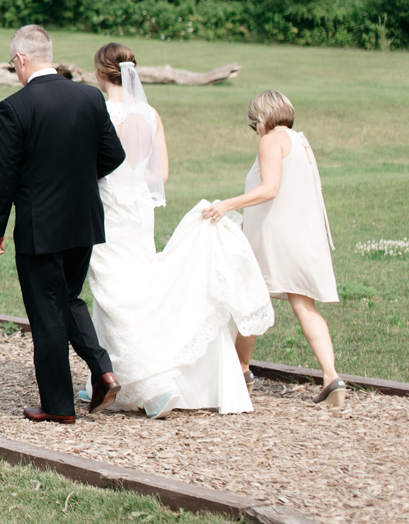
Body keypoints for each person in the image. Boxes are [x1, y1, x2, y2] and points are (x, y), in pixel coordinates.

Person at [84, 44, 273, 419]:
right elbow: (160, 175)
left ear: (101, 73)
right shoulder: (151, 114)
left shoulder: (102, 112)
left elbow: (91, 166)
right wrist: (133, 180)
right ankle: (103, 379)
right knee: (136, 288)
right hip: (140, 213)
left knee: (113, 294)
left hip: (107, 210)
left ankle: (153, 386)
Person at [0, 25, 127, 424]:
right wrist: (77, 178)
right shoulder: (89, 96)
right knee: (67, 299)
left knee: (47, 314)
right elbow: (114, 156)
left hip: (39, 227)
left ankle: (58, 406)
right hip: (83, 221)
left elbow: (5, 174)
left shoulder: (15, 106)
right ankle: (103, 369)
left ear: (21, 59)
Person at [202, 91, 347, 406]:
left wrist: (228, 205)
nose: (254, 129)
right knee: (304, 305)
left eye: (254, 122)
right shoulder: (300, 141)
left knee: (250, 300)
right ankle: (331, 375)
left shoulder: (270, 141)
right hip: (300, 233)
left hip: (274, 236)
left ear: (263, 117)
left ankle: (241, 371)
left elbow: (270, 188)